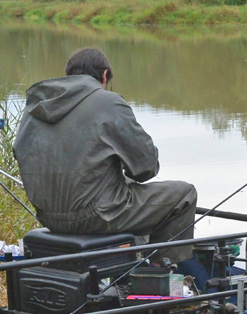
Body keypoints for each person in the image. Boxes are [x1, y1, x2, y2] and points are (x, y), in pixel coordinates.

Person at [13, 47, 197, 265]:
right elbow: (146, 169)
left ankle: (129, 267)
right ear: (104, 75)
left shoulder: (35, 108)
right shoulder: (108, 102)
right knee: (185, 194)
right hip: (99, 215)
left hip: (49, 217)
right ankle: (159, 275)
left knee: (124, 184)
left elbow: (21, 152)